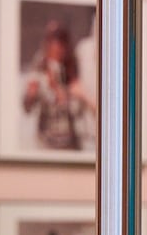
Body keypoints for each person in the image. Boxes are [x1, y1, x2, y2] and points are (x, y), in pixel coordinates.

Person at [21, 18, 97, 152]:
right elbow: (27, 108)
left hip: (70, 145)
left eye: (60, 45)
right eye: (51, 43)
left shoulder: (73, 71)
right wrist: (31, 95)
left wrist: (61, 90)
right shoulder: (38, 72)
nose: (56, 49)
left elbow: (77, 111)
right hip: (45, 143)